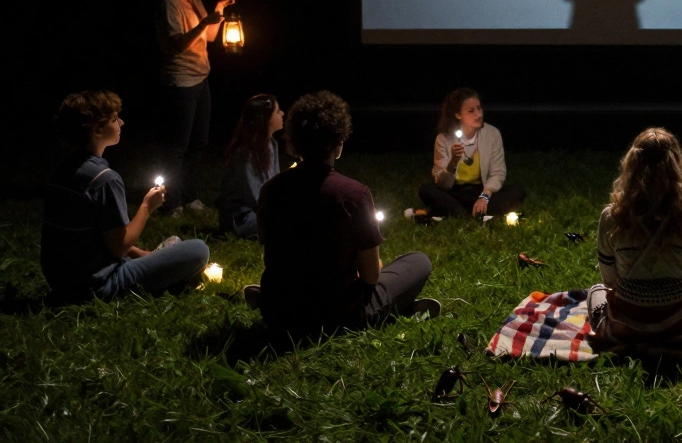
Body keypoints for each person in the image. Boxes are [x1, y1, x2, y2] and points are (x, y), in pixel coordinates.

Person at [251, 91, 437, 337]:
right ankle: (397, 308)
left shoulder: (271, 189)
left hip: (278, 313)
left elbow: (273, 252)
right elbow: (370, 277)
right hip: (337, 317)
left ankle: (267, 298)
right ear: (338, 143)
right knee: (418, 261)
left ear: (294, 141)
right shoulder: (353, 194)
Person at [41, 91, 210, 305]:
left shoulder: (62, 171)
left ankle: (161, 263)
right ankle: (167, 276)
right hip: (97, 286)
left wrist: (145, 255)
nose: (121, 122)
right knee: (198, 249)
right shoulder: (104, 179)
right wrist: (147, 207)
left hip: (61, 282)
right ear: (97, 130)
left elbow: (102, 236)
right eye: (114, 119)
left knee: (174, 243)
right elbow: (119, 246)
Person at [588, 128, 682, 348]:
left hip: (626, 330)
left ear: (632, 164)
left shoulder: (611, 217)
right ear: (677, 167)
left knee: (596, 291)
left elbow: (609, 281)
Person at [154, 0, 236, 216]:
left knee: (198, 142)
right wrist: (203, 24)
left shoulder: (195, 0)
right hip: (180, 81)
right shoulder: (169, 2)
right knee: (177, 146)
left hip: (201, 78)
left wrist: (218, 10)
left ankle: (189, 196)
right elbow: (177, 44)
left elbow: (209, 37)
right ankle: (171, 201)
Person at [416, 88, 526, 219]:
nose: (478, 114)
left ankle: (456, 214)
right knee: (426, 190)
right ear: (458, 115)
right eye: (471, 111)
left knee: (517, 190)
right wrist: (453, 162)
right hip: (454, 193)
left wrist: (484, 197)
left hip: (482, 191)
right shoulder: (443, 139)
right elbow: (442, 183)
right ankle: (472, 214)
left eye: (479, 108)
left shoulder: (492, 134)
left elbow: (498, 172)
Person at [215, 93, 283, 239]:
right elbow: (254, 196)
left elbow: (275, 183)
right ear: (265, 118)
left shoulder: (271, 144)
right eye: (278, 112)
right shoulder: (246, 152)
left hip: (262, 209)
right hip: (242, 217)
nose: (282, 114)